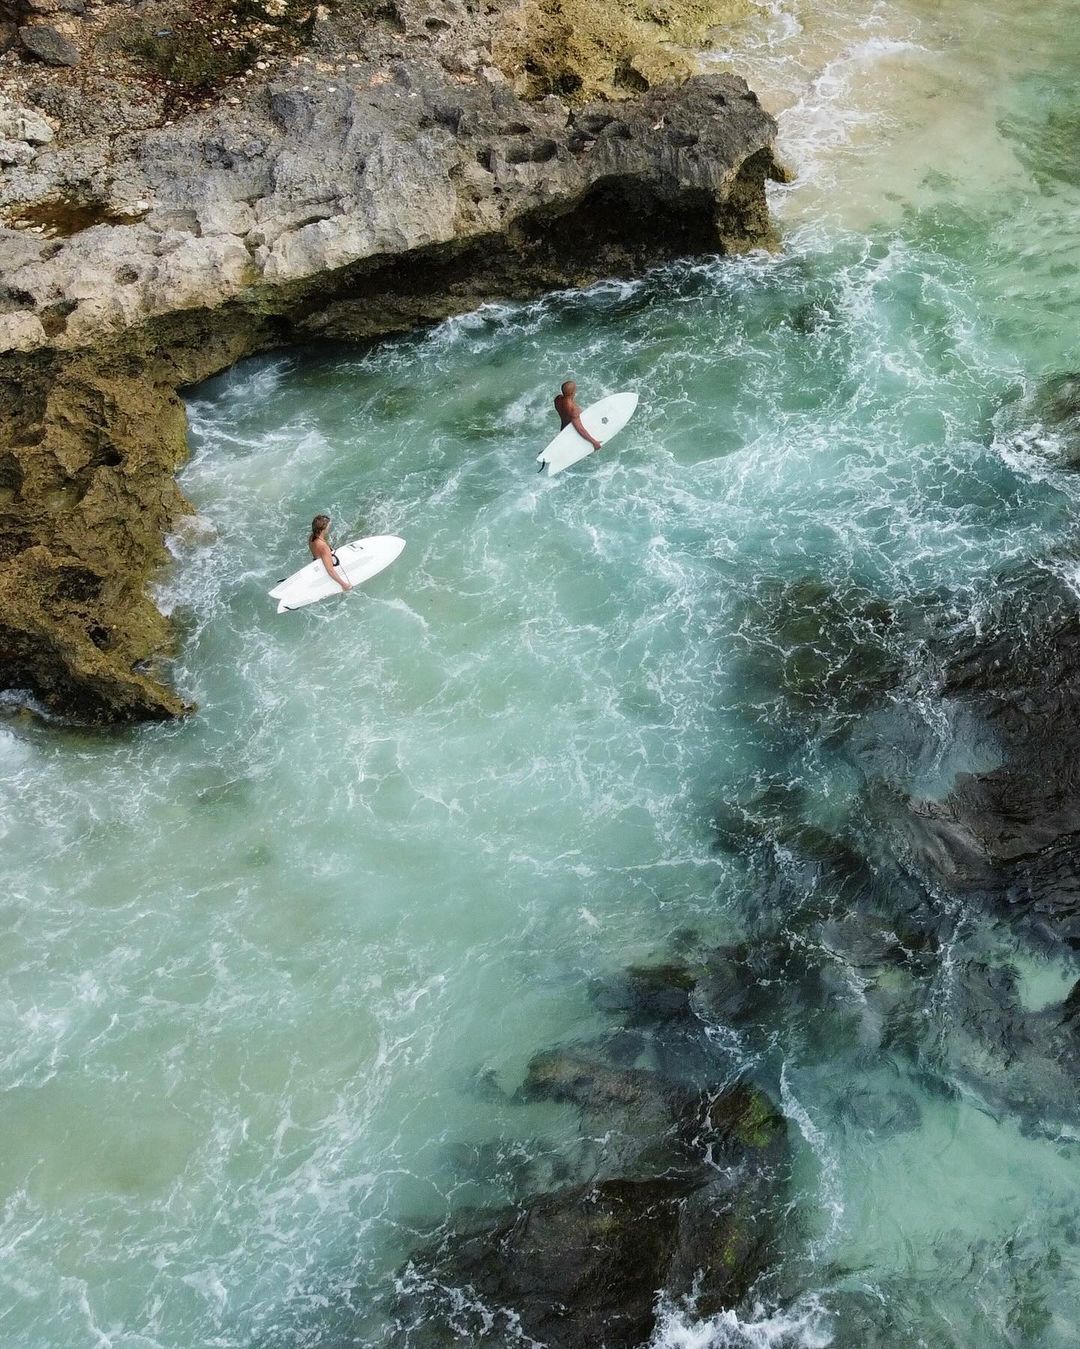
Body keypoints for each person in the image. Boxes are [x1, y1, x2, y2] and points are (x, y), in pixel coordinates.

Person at [554, 380, 601, 452]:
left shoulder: (558, 399)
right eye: (575, 389)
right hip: (573, 433)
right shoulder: (573, 409)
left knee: (565, 448)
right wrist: (594, 442)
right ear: (572, 392)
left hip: (563, 429)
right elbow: (580, 430)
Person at [309, 514, 352, 591]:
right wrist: (344, 585)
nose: (329, 526)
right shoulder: (323, 546)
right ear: (323, 529)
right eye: (328, 525)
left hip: (317, 560)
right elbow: (330, 570)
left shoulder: (312, 537)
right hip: (325, 569)